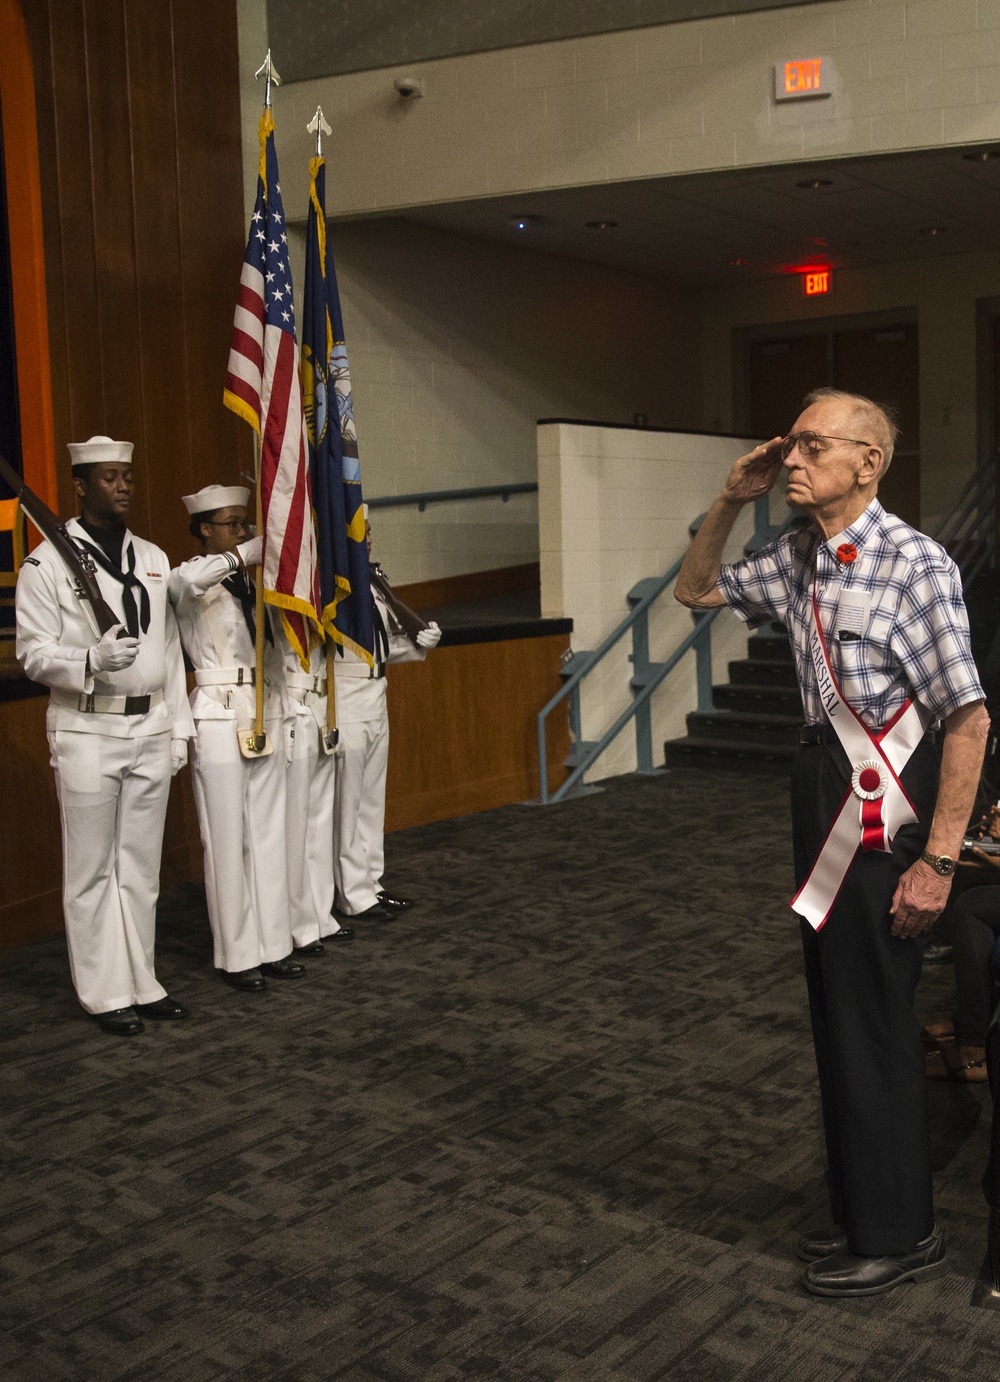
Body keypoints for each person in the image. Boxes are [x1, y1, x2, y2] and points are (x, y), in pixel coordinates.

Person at [676, 387, 990, 1298]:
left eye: (814, 445)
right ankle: (862, 1211)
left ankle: (902, 1231)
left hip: (885, 806)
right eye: (792, 442)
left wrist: (938, 859)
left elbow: (967, 721)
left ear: (870, 463)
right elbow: (698, 587)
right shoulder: (798, 556)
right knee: (833, 1009)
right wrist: (732, 499)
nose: (795, 459)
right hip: (818, 785)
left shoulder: (914, 564)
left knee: (875, 1015)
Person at [16, 435, 194, 1035]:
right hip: (87, 727)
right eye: (110, 477)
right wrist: (88, 659)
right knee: (91, 869)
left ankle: (142, 979)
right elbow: (32, 654)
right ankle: (104, 991)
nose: (123, 486)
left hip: (150, 723)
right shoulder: (46, 564)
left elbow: (169, 647)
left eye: (128, 477)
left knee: (140, 866)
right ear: (80, 487)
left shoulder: (153, 556)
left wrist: (179, 728)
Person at [169, 485, 304, 992]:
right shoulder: (189, 576)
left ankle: (273, 945)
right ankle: (237, 954)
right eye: (232, 523)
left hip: (263, 708)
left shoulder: (254, 586)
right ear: (205, 529)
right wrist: (242, 553)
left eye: (247, 524)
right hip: (219, 713)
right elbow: (193, 579)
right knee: (226, 840)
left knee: (268, 834)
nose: (245, 533)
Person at [333, 512, 441, 922]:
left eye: (371, 530)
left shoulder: (373, 583)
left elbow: (376, 647)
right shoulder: (335, 587)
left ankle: (371, 882)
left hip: (375, 692)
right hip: (346, 696)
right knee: (350, 801)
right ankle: (351, 893)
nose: (368, 538)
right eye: (358, 531)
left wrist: (417, 645)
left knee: (371, 800)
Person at [281, 631, 354, 955]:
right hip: (292, 700)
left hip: (323, 702)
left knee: (320, 818)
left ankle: (321, 914)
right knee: (295, 822)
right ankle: (298, 922)